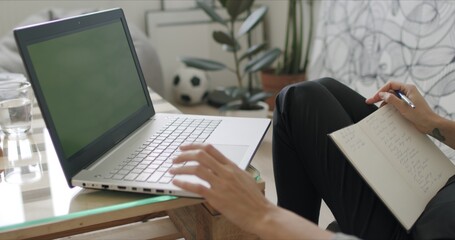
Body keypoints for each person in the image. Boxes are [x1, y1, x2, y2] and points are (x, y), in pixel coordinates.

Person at [169, 78, 455, 239]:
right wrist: (432, 122)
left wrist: (264, 216)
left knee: (296, 101)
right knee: (323, 89)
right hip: (442, 183)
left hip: (424, 230)